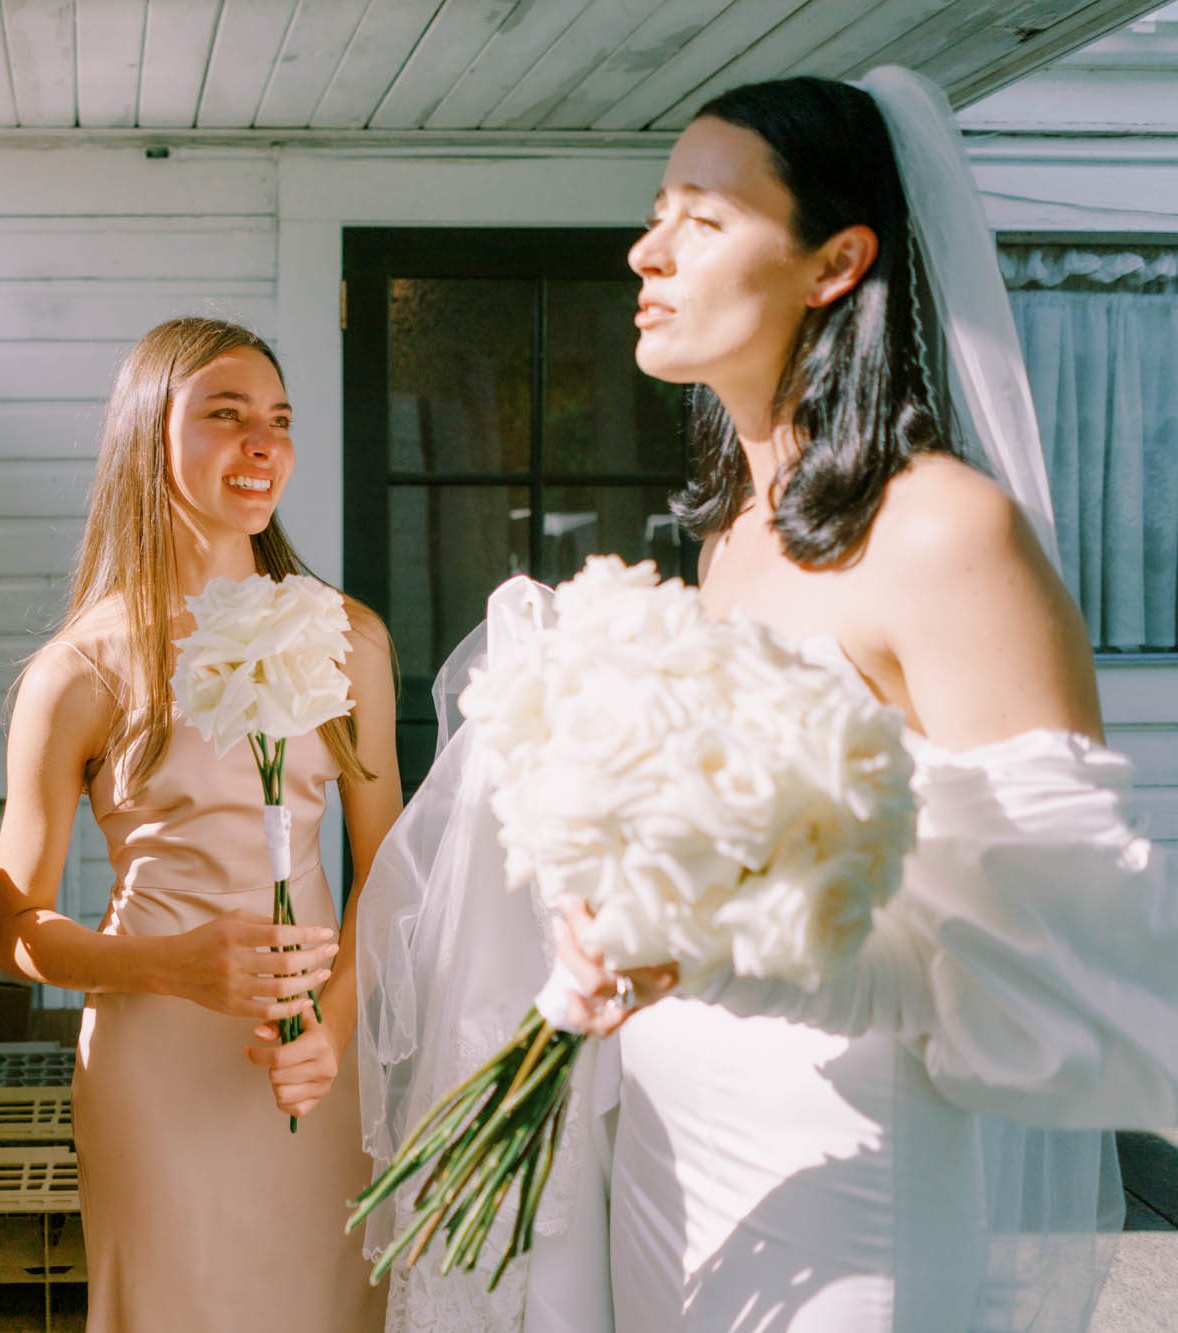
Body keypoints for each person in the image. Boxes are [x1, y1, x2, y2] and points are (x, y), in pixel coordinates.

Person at [361, 69, 1178, 1332]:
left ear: (833, 260)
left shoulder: (946, 535)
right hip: (669, 1160)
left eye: (698, 219)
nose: (646, 250)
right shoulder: (733, 541)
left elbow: (1060, 968)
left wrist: (726, 959)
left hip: (843, 1194)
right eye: (654, 213)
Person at [0, 317, 397, 1331]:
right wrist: (171, 967)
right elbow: (13, 932)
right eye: (225, 416)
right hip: (154, 1071)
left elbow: (388, 873)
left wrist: (332, 1031)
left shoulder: (346, 637)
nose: (263, 445)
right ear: (146, 436)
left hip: (311, 1059)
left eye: (279, 421)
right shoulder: (76, 672)